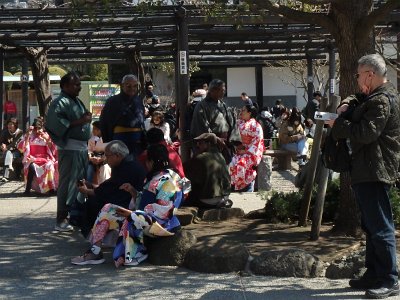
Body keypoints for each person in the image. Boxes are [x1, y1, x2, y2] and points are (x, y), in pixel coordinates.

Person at [330, 54, 400, 299]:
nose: (358, 79)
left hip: (375, 169)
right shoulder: (376, 94)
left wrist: (337, 125)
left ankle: (390, 278)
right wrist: (347, 102)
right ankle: (374, 274)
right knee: (371, 226)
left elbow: (366, 133)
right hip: (368, 168)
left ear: (370, 74)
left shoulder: (382, 100)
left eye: (359, 75)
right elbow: (358, 98)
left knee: (380, 226)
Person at [71, 144, 187, 267]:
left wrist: (133, 213)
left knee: (132, 217)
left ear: (151, 161)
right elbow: (145, 201)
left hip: (162, 224)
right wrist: (133, 192)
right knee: (108, 208)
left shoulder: (168, 180)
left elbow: (163, 213)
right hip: (144, 217)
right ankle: (95, 251)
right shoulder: (155, 176)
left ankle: (137, 253)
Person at [45, 71, 92, 232]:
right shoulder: (59, 102)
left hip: (81, 148)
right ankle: (61, 218)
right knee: (68, 183)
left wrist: (85, 119)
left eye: (79, 84)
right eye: (76, 84)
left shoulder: (75, 101)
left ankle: (76, 215)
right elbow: (55, 123)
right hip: (70, 148)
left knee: (80, 182)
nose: (79, 87)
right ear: (65, 86)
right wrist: (82, 120)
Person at [75, 140, 146, 239]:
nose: (106, 159)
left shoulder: (128, 167)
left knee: (94, 202)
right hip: (124, 198)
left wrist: (87, 191)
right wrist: (90, 185)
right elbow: (110, 186)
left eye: (107, 156)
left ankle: (97, 236)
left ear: (117, 155)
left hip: (130, 203)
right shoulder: (125, 163)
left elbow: (109, 191)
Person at [190, 79, 240, 163]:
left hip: (225, 143)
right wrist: (215, 139)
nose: (224, 92)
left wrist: (233, 141)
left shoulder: (222, 104)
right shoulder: (202, 105)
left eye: (224, 90)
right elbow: (202, 127)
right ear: (213, 90)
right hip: (211, 144)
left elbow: (232, 123)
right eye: (222, 90)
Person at [99, 74, 145, 157]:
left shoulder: (138, 100)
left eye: (135, 86)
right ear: (122, 86)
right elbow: (104, 122)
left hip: (137, 141)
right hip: (120, 139)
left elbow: (142, 122)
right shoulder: (112, 101)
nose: (132, 89)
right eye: (129, 86)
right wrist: (109, 141)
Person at [183, 133, 231, 208]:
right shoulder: (220, 156)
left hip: (209, 199)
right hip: (225, 197)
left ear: (208, 144)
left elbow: (186, 173)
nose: (197, 145)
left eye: (200, 143)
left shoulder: (201, 158)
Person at [18, 117, 58, 195]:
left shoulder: (46, 135)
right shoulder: (29, 135)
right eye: (35, 128)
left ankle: (51, 188)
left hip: (45, 158)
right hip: (32, 158)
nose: (37, 131)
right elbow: (21, 149)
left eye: (38, 128)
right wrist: (27, 136)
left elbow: (53, 149)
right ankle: (27, 189)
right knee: (31, 166)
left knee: (49, 165)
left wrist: (47, 139)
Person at [229, 105, 264, 192]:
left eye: (243, 110)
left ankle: (247, 187)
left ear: (249, 113)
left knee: (242, 164)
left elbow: (257, 142)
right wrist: (237, 147)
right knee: (230, 162)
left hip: (251, 153)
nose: (241, 111)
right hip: (238, 150)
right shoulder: (239, 122)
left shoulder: (256, 126)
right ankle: (233, 186)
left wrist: (245, 151)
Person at [87, 121, 110, 185]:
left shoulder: (107, 139)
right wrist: (91, 158)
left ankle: (104, 187)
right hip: (93, 160)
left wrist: (102, 159)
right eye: (93, 128)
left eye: (95, 129)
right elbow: (89, 150)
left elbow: (109, 152)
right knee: (88, 170)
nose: (93, 131)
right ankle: (88, 188)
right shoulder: (91, 139)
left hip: (105, 160)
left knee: (105, 169)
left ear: (100, 130)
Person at [0, 117, 23, 182]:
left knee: (8, 154)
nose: (9, 126)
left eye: (11, 124)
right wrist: (2, 145)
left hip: (17, 151)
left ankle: (5, 176)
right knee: (8, 154)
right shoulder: (5, 132)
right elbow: (1, 141)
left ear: (15, 125)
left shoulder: (20, 132)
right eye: (8, 124)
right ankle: (9, 170)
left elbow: (15, 143)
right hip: (7, 151)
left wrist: (6, 148)